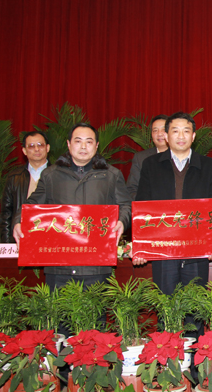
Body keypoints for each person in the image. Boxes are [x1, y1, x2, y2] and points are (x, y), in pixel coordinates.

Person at [132, 112, 212, 336]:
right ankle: (167, 355)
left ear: (193, 136)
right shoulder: (151, 165)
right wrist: (140, 246)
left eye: (186, 131)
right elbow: (142, 205)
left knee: (195, 309)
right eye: (175, 131)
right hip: (164, 250)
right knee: (166, 309)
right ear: (166, 136)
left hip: (197, 249)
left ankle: (195, 354)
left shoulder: (209, 166)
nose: (181, 136)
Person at [12, 123, 131, 291]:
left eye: (89, 142)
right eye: (78, 141)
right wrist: (18, 221)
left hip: (96, 265)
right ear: (68, 144)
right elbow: (31, 205)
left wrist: (122, 221)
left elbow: (125, 205)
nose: (83, 146)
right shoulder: (51, 175)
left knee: (95, 308)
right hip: (59, 266)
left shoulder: (111, 175)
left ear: (96, 145)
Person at [0, 131, 51, 243]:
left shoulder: (59, 175)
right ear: (24, 151)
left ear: (47, 148)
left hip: (50, 237)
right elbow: (6, 214)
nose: (36, 149)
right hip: (21, 237)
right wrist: (7, 243)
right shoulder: (14, 177)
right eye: (31, 146)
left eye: (40, 145)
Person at [126, 115, 168, 200]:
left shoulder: (181, 156)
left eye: (163, 129)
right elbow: (131, 188)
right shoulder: (141, 158)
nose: (159, 134)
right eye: (155, 130)